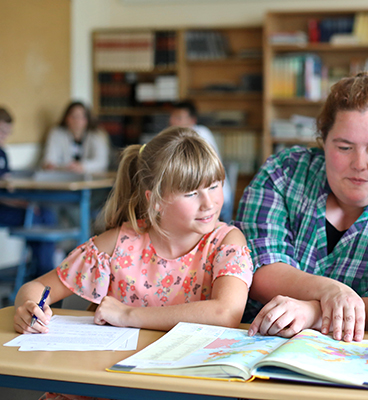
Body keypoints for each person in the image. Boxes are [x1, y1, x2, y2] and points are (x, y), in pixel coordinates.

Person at [235, 72, 368, 342]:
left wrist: (312, 311)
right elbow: (260, 268)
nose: (359, 163)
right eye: (344, 147)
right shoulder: (282, 174)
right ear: (323, 138)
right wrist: (330, 291)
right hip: (259, 339)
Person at [14, 127, 253, 337]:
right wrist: (29, 308)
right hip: (113, 375)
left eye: (214, 186)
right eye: (191, 193)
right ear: (155, 201)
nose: (209, 203)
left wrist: (129, 315)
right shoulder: (118, 244)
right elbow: (34, 288)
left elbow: (226, 313)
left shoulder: (225, 242)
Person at [0, 107, 57, 277]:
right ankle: (43, 275)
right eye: (1, 131)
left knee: (46, 215)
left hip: (8, 203)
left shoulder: (2, 153)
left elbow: (8, 186)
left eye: (7, 132)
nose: (4, 136)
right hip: (3, 207)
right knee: (37, 218)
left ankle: (43, 273)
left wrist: (21, 201)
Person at [169, 100, 234, 222]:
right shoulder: (176, 136)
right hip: (199, 197)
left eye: (178, 117)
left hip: (215, 198)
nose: (173, 121)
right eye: (172, 116)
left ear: (192, 120)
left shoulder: (200, 134)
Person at [42, 101, 110, 174]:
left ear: (87, 119)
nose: (77, 121)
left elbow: (101, 162)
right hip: (64, 178)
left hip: (92, 178)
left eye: (81, 117)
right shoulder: (57, 133)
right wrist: (51, 165)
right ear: (66, 118)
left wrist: (82, 166)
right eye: (73, 116)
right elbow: (49, 159)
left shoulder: (97, 135)